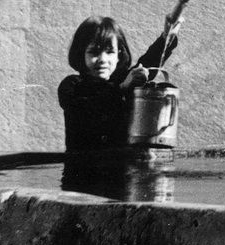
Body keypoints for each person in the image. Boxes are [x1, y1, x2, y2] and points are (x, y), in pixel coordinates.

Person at [58, 13, 181, 152]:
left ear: (119, 55)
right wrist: (122, 88)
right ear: (81, 54)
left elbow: (148, 62)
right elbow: (88, 106)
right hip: (84, 164)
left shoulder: (121, 79)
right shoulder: (71, 85)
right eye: (94, 52)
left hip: (121, 164)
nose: (103, 59)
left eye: (110, 52)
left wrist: (166, 37)